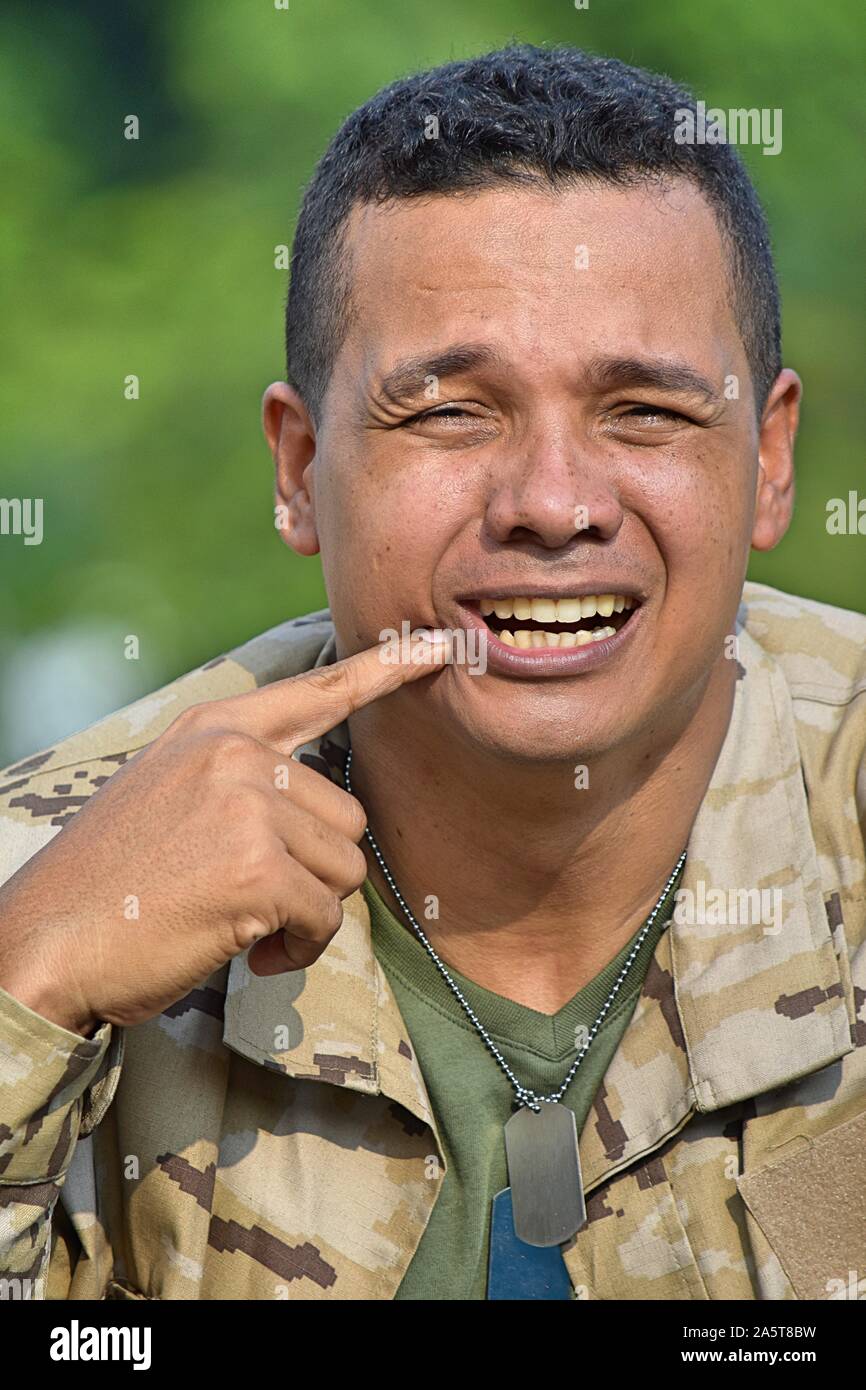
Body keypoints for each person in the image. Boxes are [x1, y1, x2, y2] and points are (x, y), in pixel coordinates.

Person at [0, 42, 864, 1303]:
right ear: (298, 470)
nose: (553, 505)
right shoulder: (51, 880)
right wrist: (28, 990)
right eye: (451, 411)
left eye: (643, 411)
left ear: (769, 458)